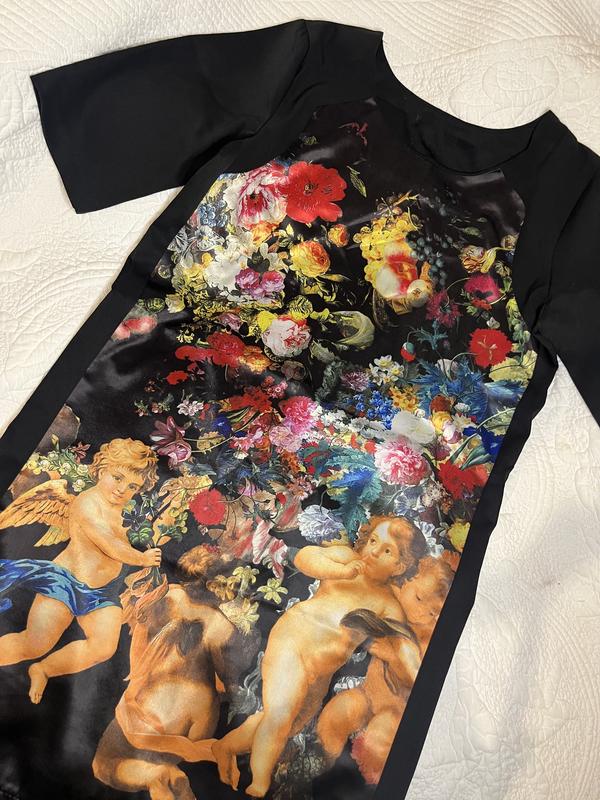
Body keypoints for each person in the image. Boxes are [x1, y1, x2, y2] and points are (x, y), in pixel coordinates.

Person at [212, 514, 428, 797]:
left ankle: (225, 746)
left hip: (322, 670)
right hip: (294, 642)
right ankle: (258, 786)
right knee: (279, 716)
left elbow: (402, 643)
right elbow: (305, 558)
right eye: (374, 541)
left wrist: (417, 669)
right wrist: (340, 571)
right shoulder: (345, 557)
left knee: (291, 723)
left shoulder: (388, 604)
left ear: (400, 566)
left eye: (387, 551)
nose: (374, 551)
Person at [0, 437, 160, 703]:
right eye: (117, 478)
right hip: (64, 582)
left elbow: (140, 536)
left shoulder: (127, 512)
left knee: (103, 648)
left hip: (102, 592)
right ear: (101, 469)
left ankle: (44, 669)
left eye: (133, 486)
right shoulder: (87, 503)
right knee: (34, 643)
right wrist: (141, 558)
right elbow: (109, 544)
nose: (122, 489)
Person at [92, 544, 256, 800]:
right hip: (198, 721)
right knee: (166, 754)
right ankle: (166, 772)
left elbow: (139, 638)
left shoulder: (168, 596)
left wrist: (137, 680)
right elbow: (227, 679)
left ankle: (158, 776)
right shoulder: (224, 626)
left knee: (103, 765)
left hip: (153, 706)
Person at [316, 554, 457, 784]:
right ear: (408, 581)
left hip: (394, 709)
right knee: (334, 716)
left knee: (378, 741)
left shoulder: (427, 637)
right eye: (419, 598)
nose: (422, 612)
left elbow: (420, 681)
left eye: (433, 612)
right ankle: (323, 763)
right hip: (367, 693)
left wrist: (392, 657)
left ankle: (361, 782)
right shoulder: (396, 600)